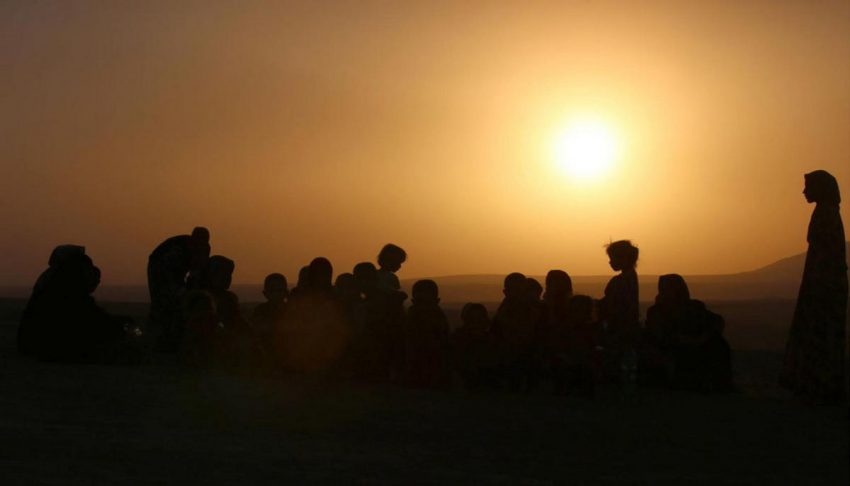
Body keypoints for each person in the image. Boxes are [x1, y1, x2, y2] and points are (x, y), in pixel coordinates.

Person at [780, 170, 848, 403]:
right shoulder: (827, 213)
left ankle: (816, 385)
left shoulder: (825, 215)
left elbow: (825, 254)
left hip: (823, 286)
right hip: (822, 283)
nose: (804, 191)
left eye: (808, 187)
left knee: (818, 331)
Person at [19, 249, 133, 363]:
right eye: (93, 278)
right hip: (48, 346)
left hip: (32, 343)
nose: (96, 284)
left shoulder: (53, 283)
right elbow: (89, 317)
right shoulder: (68, 291)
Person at [644, 274, 732, 391]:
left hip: (697, 346)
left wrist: (701, 338)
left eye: (670, 288)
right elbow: (657, 334)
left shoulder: (694, 307)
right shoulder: (656, 312)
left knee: (718, 344)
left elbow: (716, 321)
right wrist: (680, 339)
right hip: (672, 349)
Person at [147, 226, 211, 352]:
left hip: (174, 270)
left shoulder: (204, 248)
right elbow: (168, 273)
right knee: (162, 299)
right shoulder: (177, 251)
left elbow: (198, 269)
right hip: (158, 266)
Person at [597, 240, 640, 382]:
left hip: (620, 328)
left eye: (613, 258)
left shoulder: (620, 281)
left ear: (624, 258)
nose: (610, 262)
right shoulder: (630, 278)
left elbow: (612, 305)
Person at [492, 272, 537, 391]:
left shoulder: (532, 310)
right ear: (506, 292)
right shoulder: (503, 313)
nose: (518, 293)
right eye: (515, 289)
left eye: (521, 289)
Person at [404, 280, 450, 388]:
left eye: (427, 302)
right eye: (421, 301)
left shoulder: (438, 319)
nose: (424, 307)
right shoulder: (410, 318)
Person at [452, 303, 499, 390]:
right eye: (472, 319)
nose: (476, 323)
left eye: (479, 319)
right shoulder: (457, 341)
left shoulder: (492, 342)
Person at [251, 273, 288, 363]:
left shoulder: (291, 310)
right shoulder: (260, 310)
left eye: (279, 290)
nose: (276, 294)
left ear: (286, 293)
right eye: (272, 290)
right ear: (265, 293)